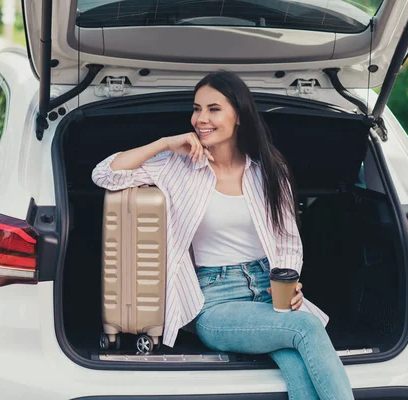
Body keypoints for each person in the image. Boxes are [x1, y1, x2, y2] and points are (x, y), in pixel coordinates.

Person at [92, 71, 354, 399]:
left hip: (270, 291)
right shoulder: (176, 167)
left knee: (296, 358)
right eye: (196, 108)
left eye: (213, 109)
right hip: (215, 301)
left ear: (239, 115)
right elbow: (104, 174)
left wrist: (292, 282)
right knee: (306, 328)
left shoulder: (270, 169)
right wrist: (165, 143)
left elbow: (287, 239)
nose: (201, 118)